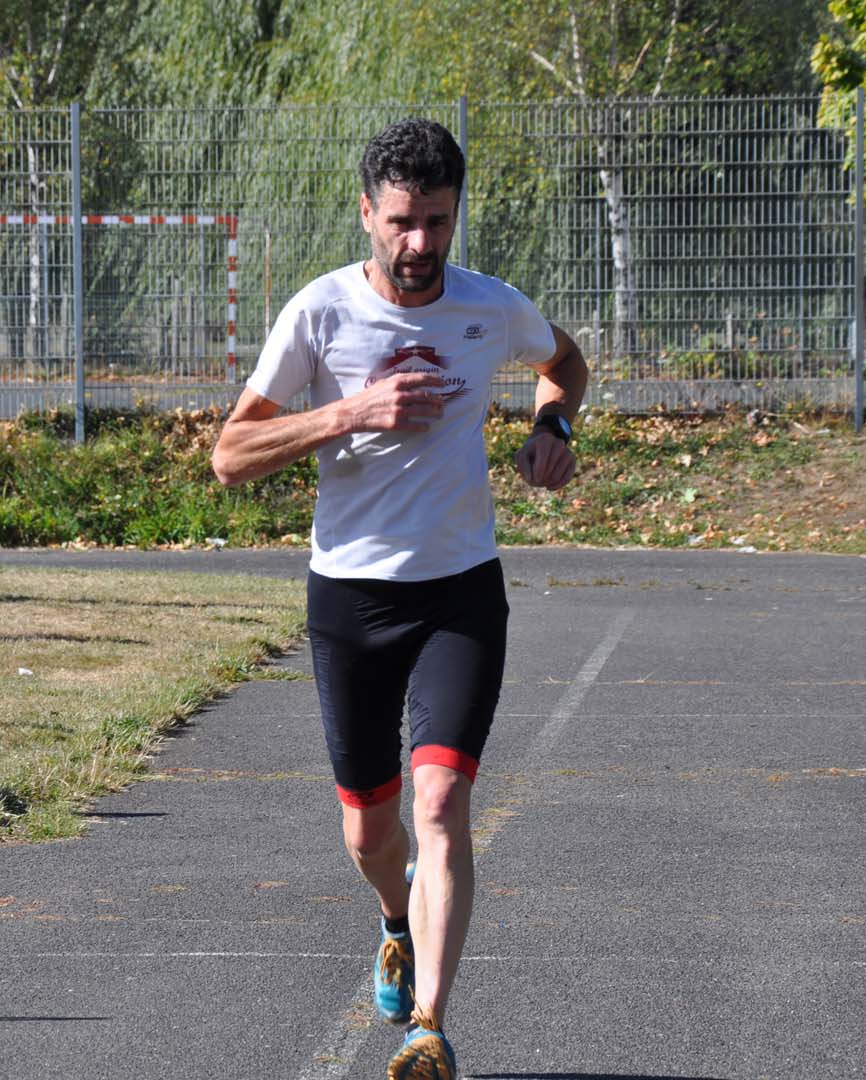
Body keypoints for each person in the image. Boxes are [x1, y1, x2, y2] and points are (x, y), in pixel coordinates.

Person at [211, 118, 587, 1080]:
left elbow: (565, 361)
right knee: (370, 831)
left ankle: (428, 1028)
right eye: (404, 222)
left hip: (460, 593)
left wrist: (554, 425)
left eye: (439, 222)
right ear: (368, 214)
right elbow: (229, 459)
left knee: (442, 798)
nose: (422, 244)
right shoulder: (319, 316)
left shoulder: (489, 307)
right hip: (351, 602)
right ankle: (393, 918)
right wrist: (348, 411)